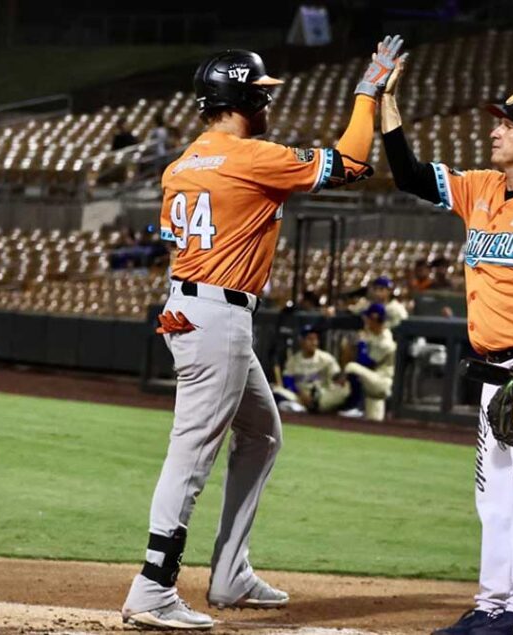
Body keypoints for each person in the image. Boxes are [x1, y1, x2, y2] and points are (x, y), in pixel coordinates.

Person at [121, 38, 404, 631]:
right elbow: (352, 162)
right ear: (243, 97)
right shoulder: (249, 156)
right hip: (217, 317)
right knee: (192, 452)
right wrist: (366, 91)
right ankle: (152, 586)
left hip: (191, 307)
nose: (267, 101)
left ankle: (229, 572)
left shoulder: (182, 163)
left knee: (263, 434)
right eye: (261, 92)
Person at [381, 48, 513, 632]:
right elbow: (411, 174)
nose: (496, 130)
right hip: (491, 371)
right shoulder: (480, 187)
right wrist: (387, 103)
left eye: (509, 125)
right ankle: (492, 602)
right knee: (493, 499)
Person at [340, 303, 397, 421]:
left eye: (368, 318)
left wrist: (361, 343)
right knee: (374, 420)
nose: (365, 320)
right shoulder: (372, 333)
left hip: (382, 382)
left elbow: (364, 362)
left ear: (375, 318)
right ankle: (360, 407)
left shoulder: (385, 341)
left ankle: (356, 406)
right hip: (371, 379)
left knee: (352, 367)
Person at [273, 325, 350, 414]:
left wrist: (342, 374)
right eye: (310, 339)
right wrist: (299, 394)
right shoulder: (293, 360)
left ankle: (303, 407)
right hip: (299, 397)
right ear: (301, 341)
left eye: (316, 339)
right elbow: (288, 381)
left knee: (345, 390)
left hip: (321, 397)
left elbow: (336, 377)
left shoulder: (326, 358)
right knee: (275, 390)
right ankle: (298, 407)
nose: (314, 342)